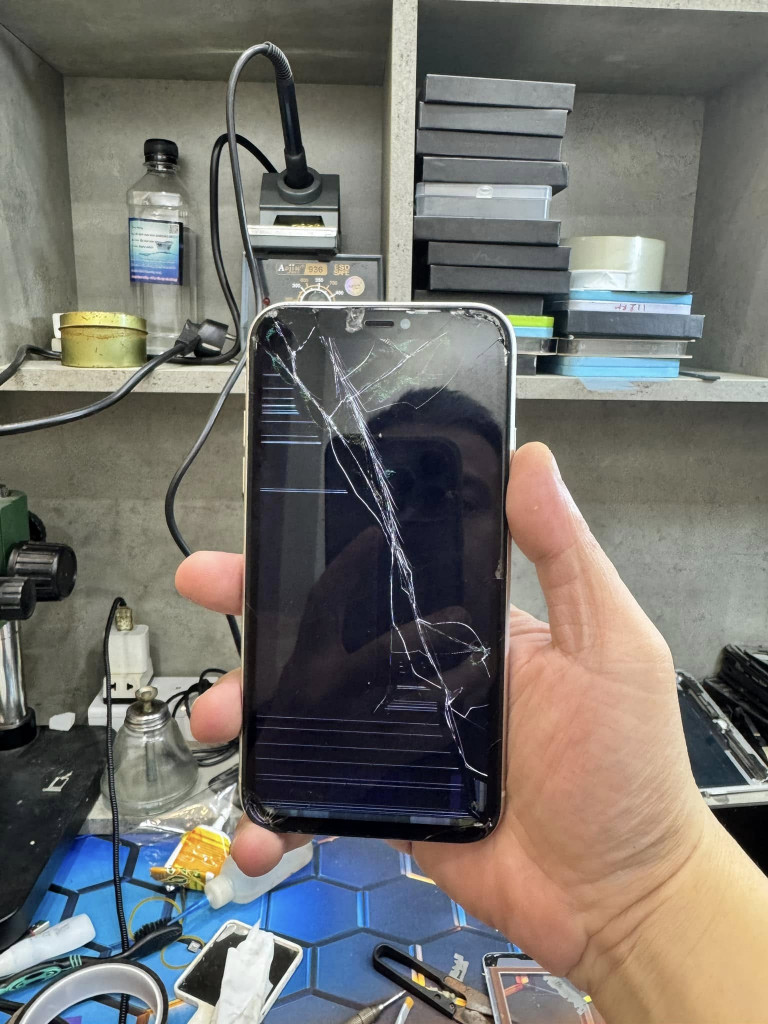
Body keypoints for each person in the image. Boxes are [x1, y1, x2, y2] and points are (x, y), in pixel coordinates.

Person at [176, 442, 768, 1023]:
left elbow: (643, 900)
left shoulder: (544, 707)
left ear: (506, 526)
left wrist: (647, 891)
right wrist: (645, 913)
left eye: (461, 499)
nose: (418, 519)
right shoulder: (316, 634)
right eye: (391, 496)